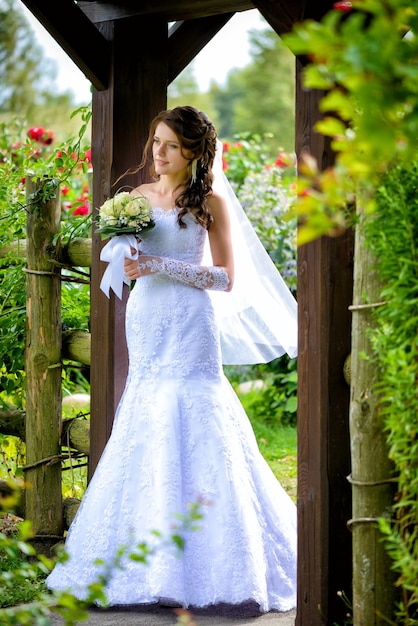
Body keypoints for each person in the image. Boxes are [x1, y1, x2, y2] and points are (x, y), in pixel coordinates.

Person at [46, 106, 298, 614]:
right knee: (146, 413)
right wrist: (128, 258)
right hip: (146, 317)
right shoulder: (133, 199)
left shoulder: (209, 201)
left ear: (194, 153)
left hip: (191, 321)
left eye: (170, 146)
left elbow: (226, 278)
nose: (157, 153)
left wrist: (162, 264)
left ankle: (214, 562)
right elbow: (122, 258)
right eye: (155, 142)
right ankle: (143, 560)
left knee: (199, 413)